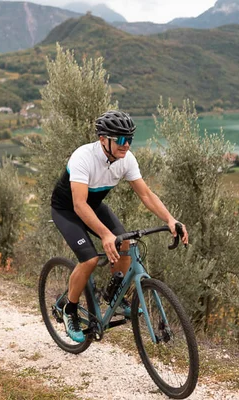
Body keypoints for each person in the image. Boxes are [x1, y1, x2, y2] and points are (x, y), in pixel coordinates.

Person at [50, 110, 189, 343]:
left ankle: (113, 295)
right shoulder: (83, 157)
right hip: (68, 210)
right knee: (90, 259)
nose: (126, 146)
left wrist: (170, 219)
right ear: (103, 139)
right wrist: (104, 234)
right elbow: (79, 204)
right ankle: (70, 310)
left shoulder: (126, 159)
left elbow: (146, 194)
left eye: (130, 140)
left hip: (93, 205)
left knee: (125, 241)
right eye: (121, 140)